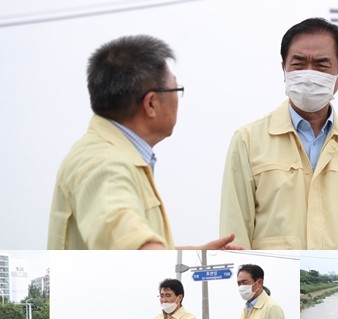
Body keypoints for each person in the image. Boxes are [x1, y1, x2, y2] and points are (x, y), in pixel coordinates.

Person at [47, 34, 239, 250]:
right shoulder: (103, 163)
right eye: (176, 89)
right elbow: (125, 237)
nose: (178, 99)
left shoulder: (111, 153)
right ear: (151, 104)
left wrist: (191, 253)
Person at [219, 17, 338, 250]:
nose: (309, 73)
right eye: (299, 63)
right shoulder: (248, 140)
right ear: (284, 68)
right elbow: (235, 231)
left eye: (321, 65)